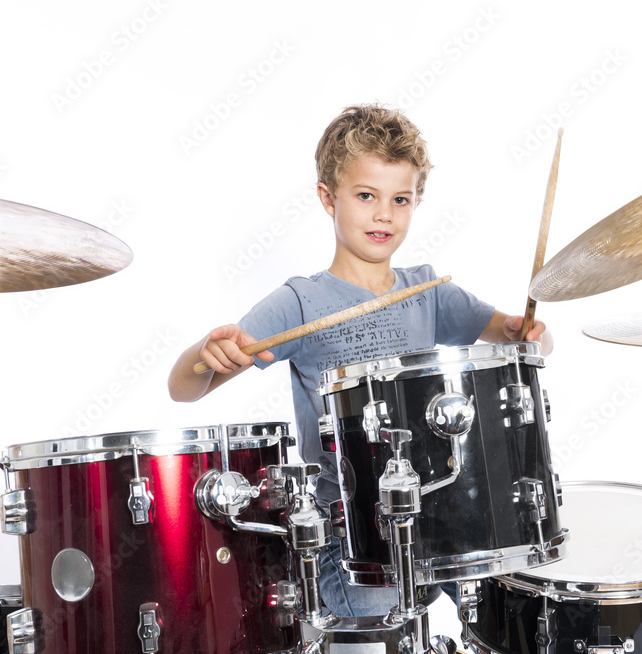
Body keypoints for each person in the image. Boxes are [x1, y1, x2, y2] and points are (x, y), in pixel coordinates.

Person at [169, 103, 552, 616]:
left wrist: (526, 334)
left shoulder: (427, 290)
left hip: (440, 513)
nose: (384, 215)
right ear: (328, 198)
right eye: (366, 196)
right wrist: (204, 354)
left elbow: (524, 342)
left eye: (401, 199)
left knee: (521, 603)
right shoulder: (300, 302)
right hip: (346, 534)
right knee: (384, 644)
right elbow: (184, 388)